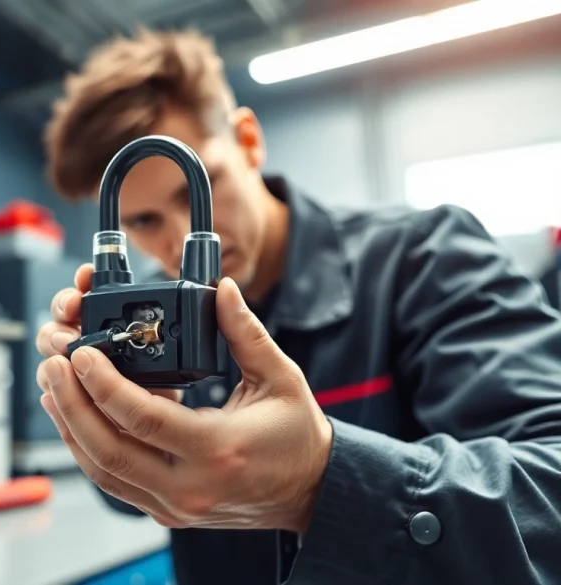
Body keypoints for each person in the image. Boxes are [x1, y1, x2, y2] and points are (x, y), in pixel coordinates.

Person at [34, 29, 561, 585]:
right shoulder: (144, 323)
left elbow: (549, 492)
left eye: (200, 189)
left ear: (248, 140)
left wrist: (320, 480)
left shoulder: (426, 257)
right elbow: (140, 500)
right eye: (142, 221)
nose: (180, 237)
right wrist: (119, 425)